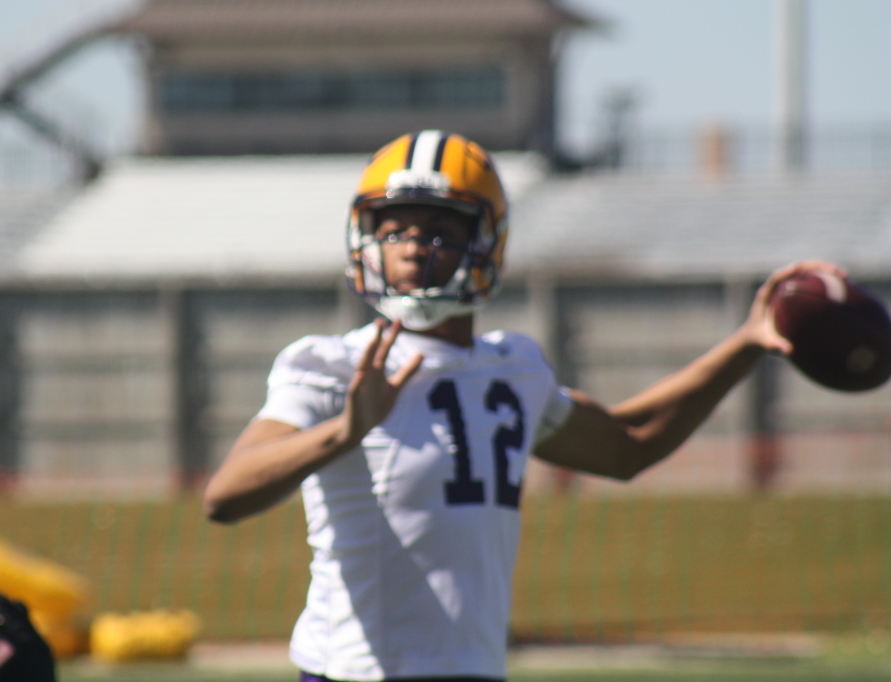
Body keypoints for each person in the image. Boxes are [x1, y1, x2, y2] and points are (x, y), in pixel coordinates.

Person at [202, 130, 839, 682]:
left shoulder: (513, 367)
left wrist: (747, 344)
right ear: (365, 238)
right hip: (356, 673)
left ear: (486, 242)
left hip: (474, 668)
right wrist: (344, 431)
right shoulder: (329, 365)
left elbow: (627, 444)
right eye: (394, 228)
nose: (413, 245)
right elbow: (225, 496)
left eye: (440, 229)